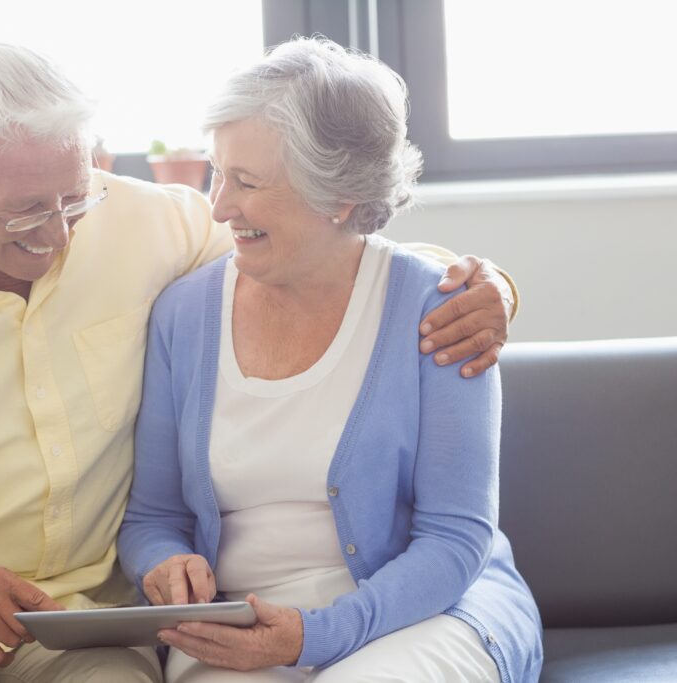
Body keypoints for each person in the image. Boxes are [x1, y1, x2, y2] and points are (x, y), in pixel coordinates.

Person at [0, 42, 519, 682]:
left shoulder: (143, 223)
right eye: (25, 211)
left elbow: (324, 250)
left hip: (79, 619)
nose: (57, 235)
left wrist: (483, 290)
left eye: (73, 198)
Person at [118, 37, 542, 683]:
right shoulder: (184, 313)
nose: (219, 205)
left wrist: (316, 636)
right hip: (239, 630)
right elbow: (154, 516)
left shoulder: (443, 311)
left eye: (247, 182)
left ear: (338, 196)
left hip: (426, 615)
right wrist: (165, 561)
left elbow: (454, 541)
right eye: (216, 171)